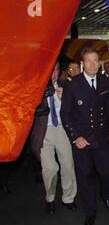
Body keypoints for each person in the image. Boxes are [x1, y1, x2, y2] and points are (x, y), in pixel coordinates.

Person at [60, 47, 109, 225]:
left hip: (101, 137)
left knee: (107, 171)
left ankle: (106, 194)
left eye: (96, 61)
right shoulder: (72, 84)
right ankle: (90, 211)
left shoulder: (104, 82)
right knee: (85, 176)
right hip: (82, 139)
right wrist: (75, 136)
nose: (93, 64)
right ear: (82, 63)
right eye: (89, 61)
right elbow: (66, 114)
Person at [30, 62, 77, 214]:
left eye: (55, 69)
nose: (53, 73)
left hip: (62, 129)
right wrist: (40, 97)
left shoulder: (66, 85)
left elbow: (77, 108)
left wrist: (65, 100)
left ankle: (68, 198)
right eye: (50, 69)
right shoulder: (35, 87)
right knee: (50, 168)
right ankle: (50, 198)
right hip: (44, 131)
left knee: (68, 165)